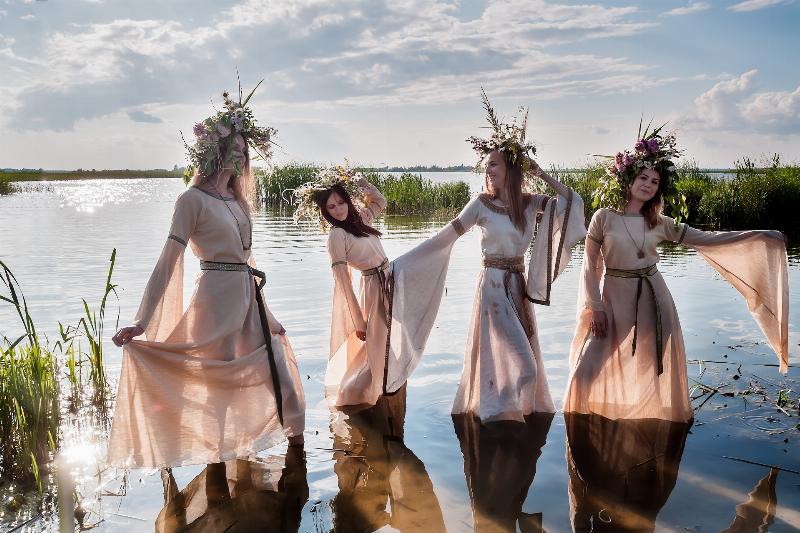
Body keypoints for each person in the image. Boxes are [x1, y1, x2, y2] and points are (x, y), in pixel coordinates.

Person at [108, 82, 305, 468]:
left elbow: (247, 265)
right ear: (215, 150)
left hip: (249, 302)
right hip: (213, 304)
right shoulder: (191, 200)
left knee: (284, 382)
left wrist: (270, 315)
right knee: (218, 399)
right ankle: (217, 475)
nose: (241, 155)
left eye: (246, 151)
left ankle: (297, 467)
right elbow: (168, 261)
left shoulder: (239, 200)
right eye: (235, 147)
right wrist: (142, 320)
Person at [564, 124, 789, 422]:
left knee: (650, 367)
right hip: (613, 301)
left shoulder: (659, 222)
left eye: (654, 181)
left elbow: (707, 239)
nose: (648, 184)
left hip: (654, 302)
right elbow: (590, 268)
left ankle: (652, 425)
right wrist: (597, 308)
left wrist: (762, 235)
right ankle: (577, 423)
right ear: (628, 179)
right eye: (643, 177)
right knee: (586, 368)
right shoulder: (603, 218)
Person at [388, 90, 587, 422]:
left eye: (493, 164)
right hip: (493, 286)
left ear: (510, 167)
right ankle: (497, 417)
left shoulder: (529, 203)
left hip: (518, 286)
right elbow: (447, 236)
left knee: (525, 363)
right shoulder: (480, 203)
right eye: (486, 165)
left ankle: (502, 413)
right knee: (522, 364)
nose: (487, 170)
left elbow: (571, 202)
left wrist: (539, 172)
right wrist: (403, 265)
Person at [293, 164, 392, 407]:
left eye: (341, 202)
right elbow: (343, 282)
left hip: (390, 281)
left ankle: (388, 389)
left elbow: (380, 201)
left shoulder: (360, 219)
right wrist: (358, 320)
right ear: (325, 211)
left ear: (348, 200)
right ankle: (359, 396)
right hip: (371, 288)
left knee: (391, 343)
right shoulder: (337, 235)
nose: (338, 210)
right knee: (375, 348)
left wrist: (362, 184)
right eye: (331, 206)